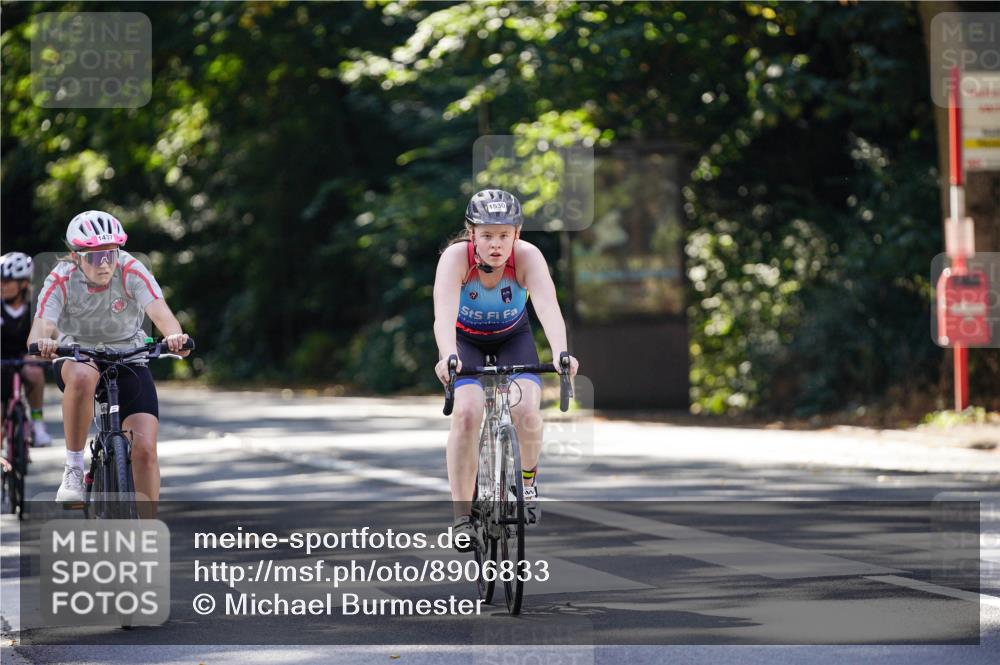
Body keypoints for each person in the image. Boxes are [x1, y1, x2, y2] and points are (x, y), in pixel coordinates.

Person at [433, 189, 579, 550]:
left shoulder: (528, 257)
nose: (496, 244)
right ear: (472, 235)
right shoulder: (455, 260)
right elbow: (443, 316)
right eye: (486, 235)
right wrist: (447, 356)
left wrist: (562, 353)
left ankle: (526, 484)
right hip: (465, 342)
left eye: (503, 235)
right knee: (466, 414)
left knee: (527, 409)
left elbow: (548, 308)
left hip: (513, 338)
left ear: (517, 234)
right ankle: (462, 517)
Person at [27, 210, 190, 511]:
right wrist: (45, 341)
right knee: (84, 376)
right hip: (77, 353)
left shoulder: (132, 269)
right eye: (94, 257)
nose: (104, 264)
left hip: (128, 354)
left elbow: (160, 312)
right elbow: (42, 325)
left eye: (110, 254)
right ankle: (74, 469)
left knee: (144, 450)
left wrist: (175, 337)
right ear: (76, 257)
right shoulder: (60, 278)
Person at [1, 251, 52, 446]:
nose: (1, 285)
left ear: (22, 283)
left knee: (34, 371)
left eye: (6, 281)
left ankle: (37, 424)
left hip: (26, 358)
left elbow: (46, 336)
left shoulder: (36, 307)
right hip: (2, 361)